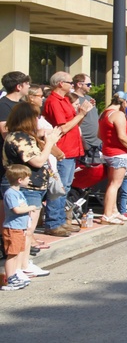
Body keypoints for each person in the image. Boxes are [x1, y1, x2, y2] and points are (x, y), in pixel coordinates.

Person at [2, 103, 59, 272]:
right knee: (25, 230)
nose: (38, 120)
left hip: (33, 186)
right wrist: (50, 143)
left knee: (27, 230)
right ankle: (20, 268)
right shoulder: (20, 138)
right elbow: (38, 161)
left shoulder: (21, 135)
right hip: (28, 187)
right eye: (35, 117)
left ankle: (24, 264)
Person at [41, 72, 92, 237]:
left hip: (71, 148)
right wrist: (81, 114)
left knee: (66, 186)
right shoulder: (54, 101)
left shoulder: (64, 100)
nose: (72, 85)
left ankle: (61, 220)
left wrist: (82, 113)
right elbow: (62, 127)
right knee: (59, 187)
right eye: (70, 82)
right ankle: (53, 222)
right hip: (62, 149)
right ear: (60, 83)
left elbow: (74, 124)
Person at [98, 93, 127, 224]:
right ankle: (107, 215)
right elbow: (122, 136)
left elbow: (99, 134)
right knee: (115, 184)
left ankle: (113, 211)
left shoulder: (104, 114)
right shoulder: (117, 114)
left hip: (109, 151)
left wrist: (109, 142)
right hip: (118, 153)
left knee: (112, 183)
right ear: (124, 102)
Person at [3, 164, 38, 290]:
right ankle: (10, 278)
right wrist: (31, 208)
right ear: (20, 180)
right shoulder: (11, 193)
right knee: (12, 254)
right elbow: (16, 210)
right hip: (13, 228)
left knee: (17, 253)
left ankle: (13, 275)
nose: (29, 180)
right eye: (27, 178)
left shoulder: (18, 193)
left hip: (19, 228)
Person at [0, 71, 31, 137]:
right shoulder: (3, 105)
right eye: (26, 83)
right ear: (19, 87)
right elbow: (5, 132)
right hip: (14, 145)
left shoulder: (23, 104)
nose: (29, 86)